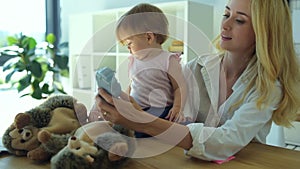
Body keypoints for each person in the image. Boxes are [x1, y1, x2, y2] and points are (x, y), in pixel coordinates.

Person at [93, 0, 300, 161]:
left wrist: (142, 121)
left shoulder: (269, 88)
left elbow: (225, 142)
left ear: (263, 32)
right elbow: (166, 119)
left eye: (239, 20)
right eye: (226, 14)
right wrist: (125, 104)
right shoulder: (195, 69)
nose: (225, 25)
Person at [113, 3, 189, 137]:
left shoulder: (168, 60)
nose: (129, 49)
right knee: (119, 125)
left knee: (142, 132)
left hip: (161, 110)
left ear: (149, 37)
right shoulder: (134, 61)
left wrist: (177, 108)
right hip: (138, 110)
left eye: (130, 43)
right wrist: (124, 100)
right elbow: (133, 85)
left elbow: (180, 87)